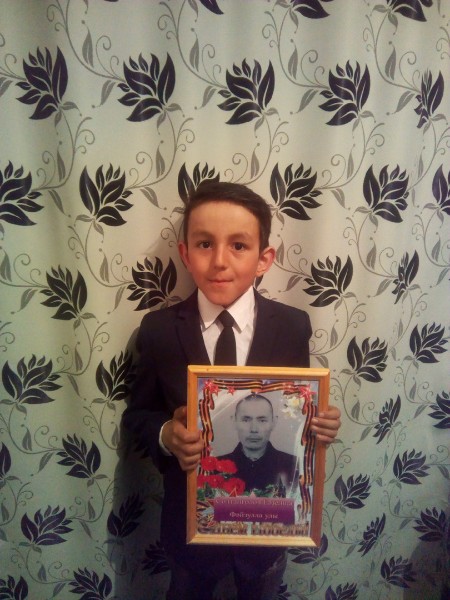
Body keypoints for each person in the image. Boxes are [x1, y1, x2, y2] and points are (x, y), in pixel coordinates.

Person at [122, 181, 341, 600]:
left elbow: (295, 411)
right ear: (186, 253)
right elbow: (139, 415)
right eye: (205, 244)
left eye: (239, 246)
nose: (220, 261)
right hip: (190, 529)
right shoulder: (159, 330)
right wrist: (167, 434)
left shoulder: (292, 325)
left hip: (268, 527)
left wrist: (318, 426)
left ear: (264, 259)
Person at [218, 394, 300, 496]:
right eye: (246, 420)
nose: (254, 429)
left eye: (262, 420)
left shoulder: (294, 466)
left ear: (273, 422)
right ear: (234, 421)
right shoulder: (214, 468)